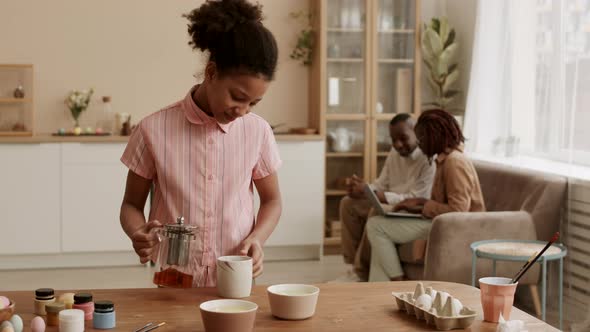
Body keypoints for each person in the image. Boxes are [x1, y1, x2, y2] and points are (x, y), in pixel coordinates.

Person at [119, 0, 282, 287]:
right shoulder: (152, 129)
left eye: (253, 103)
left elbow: (272, 200)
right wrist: (138, 232)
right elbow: (131, 204)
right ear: (211, 73)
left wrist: (257, 238)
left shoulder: (258, 132)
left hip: (234, 276)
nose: (242, 110)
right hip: (173, 277)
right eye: (237, 96)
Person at [366, 109, 485, 282]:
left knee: (377, 226)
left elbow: (459, 211)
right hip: (440, 223)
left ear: (434, 135)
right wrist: (417, 203)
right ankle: (377, 292)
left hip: (453, 229)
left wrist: (423, 205)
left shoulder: (454, 162)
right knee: (378, 224)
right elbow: (445, 203)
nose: (420, 143)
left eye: (422, 137)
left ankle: (398, 283)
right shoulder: (445, 159)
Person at [337, 113, 436, 282]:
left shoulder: (428, 159)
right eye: (393, 139)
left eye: (403, 138)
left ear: (416, 133)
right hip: (388, 201)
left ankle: (361, 272)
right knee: (348, 203)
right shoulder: (394, 153)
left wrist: (380, 196)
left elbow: (418, 198)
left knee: (375, 213)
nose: (398, 144)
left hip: (409, 210)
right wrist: (364, 189)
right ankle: (354, 265)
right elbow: (381, 183)